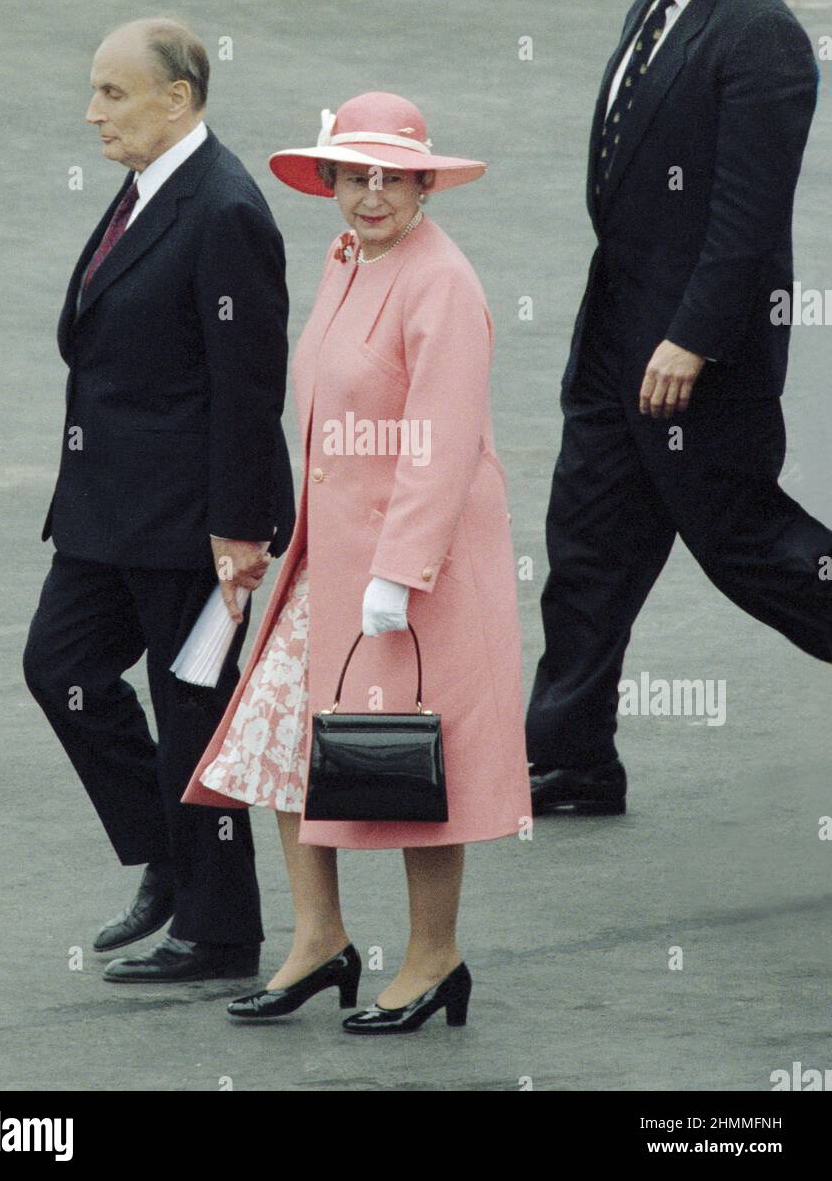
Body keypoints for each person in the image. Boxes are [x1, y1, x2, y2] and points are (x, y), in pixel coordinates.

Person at [183, 92, 532, 1034]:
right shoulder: (348, 258)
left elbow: (444, 439)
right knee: (280, 745)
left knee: (418, 762)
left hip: (411, 570)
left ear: (424, 182)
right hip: (327, 559)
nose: (370, 195)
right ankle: (319, 939)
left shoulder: (442, 281)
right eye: (353, 175)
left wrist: (399, 570)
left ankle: (433, 958)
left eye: (392, 177)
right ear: (330, 181)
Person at [526, 0, 831, 815]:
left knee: (752, 551)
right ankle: (568, 758)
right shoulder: (650, 10)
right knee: (586, 549)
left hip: (698, 361)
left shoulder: (761, 36)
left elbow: (745, 222)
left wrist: (690, 338)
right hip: (615, 344)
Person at [23, 17, 295, 981]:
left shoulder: (222, 208)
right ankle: (167, 860)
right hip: (106, 511)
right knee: (61, 669)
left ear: (176, 99)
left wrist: (240, 526)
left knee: (193, 716)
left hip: (192, 521)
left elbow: (249, 385)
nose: (92, 112)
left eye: (112, 93)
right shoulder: (148, 190)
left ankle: (220, 932)